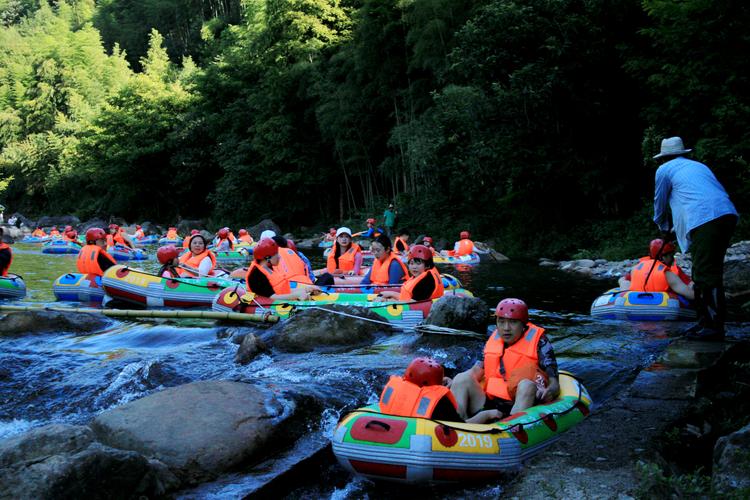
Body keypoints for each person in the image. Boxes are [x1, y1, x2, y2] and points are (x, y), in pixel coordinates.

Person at [653, 136, 739, 340]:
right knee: (710, 269)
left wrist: (663, 227)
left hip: (706, 219)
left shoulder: (664, 170)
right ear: (682, 153)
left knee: (704, 271)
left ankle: (713, 327)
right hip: (727, 215)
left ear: (663, 157)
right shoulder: (698, 166)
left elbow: (660, 203)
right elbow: (694, 197)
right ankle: (705, 322)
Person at [449, 298, 560, 420]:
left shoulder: (540, 342)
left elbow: (554, 382)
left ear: (523, 324)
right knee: (461, 378)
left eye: (513, 322)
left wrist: (550, 391)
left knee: (527, 385)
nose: (506, 328)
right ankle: (459, 422)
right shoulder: (493, 339)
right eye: (501, 321)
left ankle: (510, 425)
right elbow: (476, 370)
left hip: (521, 401)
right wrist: (454, 382)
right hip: (490, 403)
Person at [379, 357, 501, 424]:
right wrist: (486, 415)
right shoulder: (439, 403)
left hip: (402, 429)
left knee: (461, 379)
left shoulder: (395, 388)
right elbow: (461, 428)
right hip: (439, 433)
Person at [618, 238, 694, 299]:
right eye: (671, 256)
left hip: (634, 306)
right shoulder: (669, 273)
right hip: (666, 308)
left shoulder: (637, 268)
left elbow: (622, 280)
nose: (673, 259)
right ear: (662, 257)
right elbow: (691, 293)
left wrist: (626, 294)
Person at [245, 238, 317, 300]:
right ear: (267, 258)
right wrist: (296, 295)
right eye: (276, 254)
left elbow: (282, 290)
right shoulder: (256, 274)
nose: (279, 257)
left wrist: (307, 289)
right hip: (264, 304)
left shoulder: (270, 268)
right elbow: (270, 297)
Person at [377, 245, 444, 302]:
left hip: (421, 312)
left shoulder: (427, 280)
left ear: (427, 265)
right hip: (414, 305)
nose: (414, 267)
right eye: (411, 263)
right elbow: (407, 297)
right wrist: (391, 294)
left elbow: (415, 304)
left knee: (381, 300)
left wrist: (387, 301)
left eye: (418, 264)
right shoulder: (420, 276)